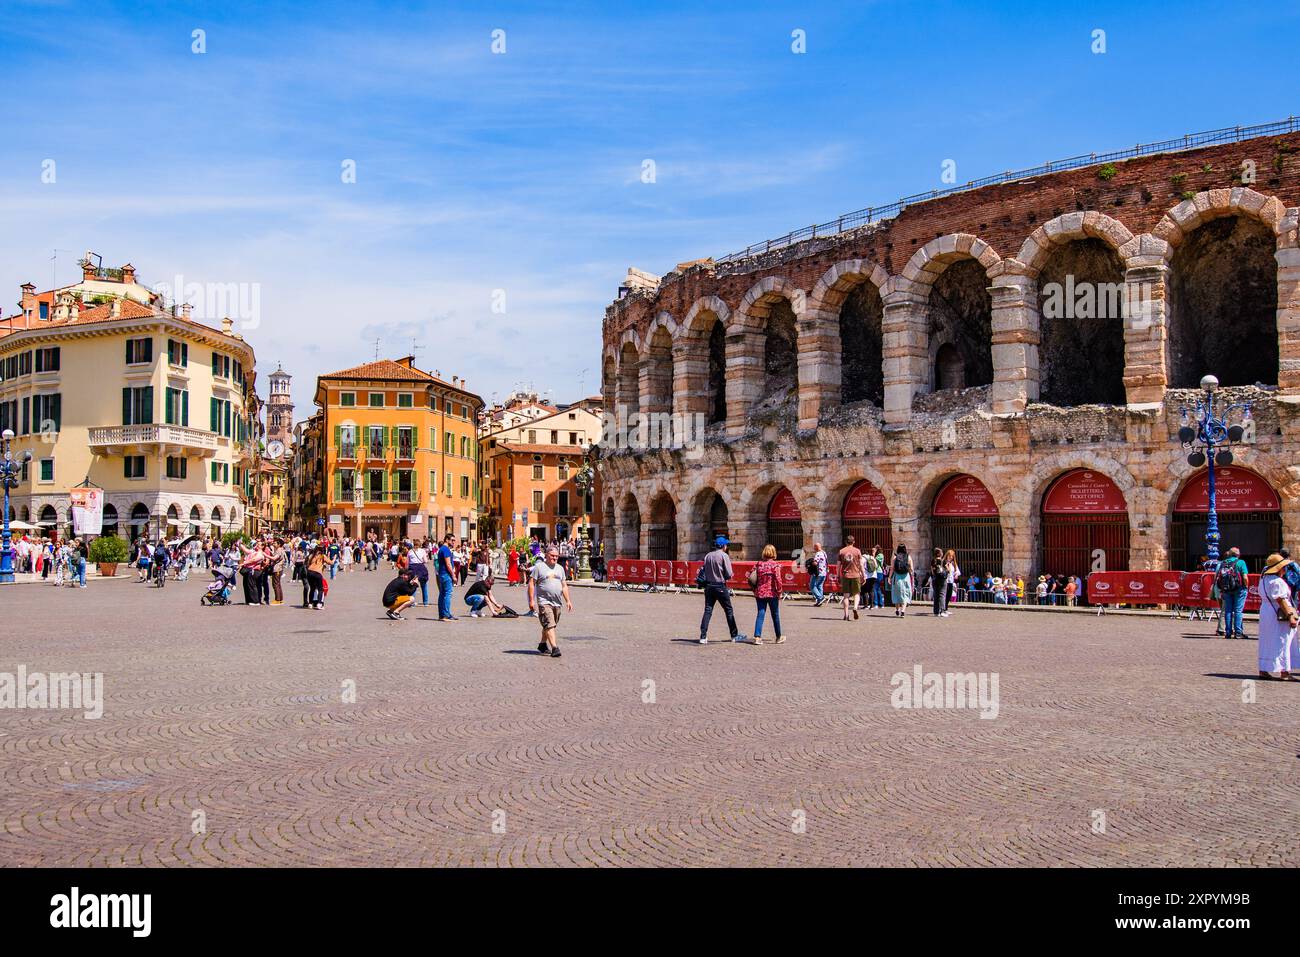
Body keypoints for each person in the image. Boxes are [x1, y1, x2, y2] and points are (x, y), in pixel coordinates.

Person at [1256, 553, 1298, 680]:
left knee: (1266, 641)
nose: (1285, 570)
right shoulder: (1277, 582)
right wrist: (1290, 615)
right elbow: (1281, 600)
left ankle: (1263, 669)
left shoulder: (1263, 580)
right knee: (1283, 640)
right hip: (1277, 612)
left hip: (1266, 612)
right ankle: (1284, 671)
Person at [698, 535, 745, 644]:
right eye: (726, 545)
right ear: (723, 546)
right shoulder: (724, 556)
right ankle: (734, 635)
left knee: (708, 610)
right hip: (720, 585)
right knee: (728, 610)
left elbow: (704, 570)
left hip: (709, 586)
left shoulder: (708, 555)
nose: (727, 547)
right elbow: (729, 573)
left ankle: (703, 636)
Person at [528, 544, 572, 657]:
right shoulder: (539, 567)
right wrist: (531, 601)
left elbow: (564, 585)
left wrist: (568, 600)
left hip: (557, 602)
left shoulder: (560, 568)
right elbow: (531, 584)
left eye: (557, 556)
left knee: (549, 625)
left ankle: (542, 644)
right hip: (544, 602)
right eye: (552, 556)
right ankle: (554, 648)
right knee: (549, 624)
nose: (555, 558)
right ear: (546, 555)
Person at [751, 544, 783, 644]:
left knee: (760, 613)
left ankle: (757, 636)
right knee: (775, 614)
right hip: (772, 593)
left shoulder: (758, 564)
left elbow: (751, 577)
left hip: (760, 592)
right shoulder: (775, 565)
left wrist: (754, 589)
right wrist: (780, 592)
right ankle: (778, 636)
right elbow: (778, 580)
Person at [1216, 546, 1250, 640]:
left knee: (1228, 610)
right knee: (1238, 610)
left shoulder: (1223, 563)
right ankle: (1238, 632)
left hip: (1226, 589)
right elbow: (1245, 577)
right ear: (1238, 555)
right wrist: (1246, 586)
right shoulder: (1240, 562)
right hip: (1239, 589)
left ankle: (1228, 632)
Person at [838, 535, 863, 621]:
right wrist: (863, 574)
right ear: (853, 542)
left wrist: (838, 575)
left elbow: (838, 565)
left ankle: (846, 614)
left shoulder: (841, 551)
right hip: (856, 575)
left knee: (846, 596)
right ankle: (855, 607)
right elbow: (861, 564)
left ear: (846, 542)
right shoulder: (857, 551)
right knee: (856, 594)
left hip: (845, 575)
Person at [436, 533, 458, 621]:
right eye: (452, 540)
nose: (453, 542)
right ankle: (446, 614)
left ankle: (441, 615)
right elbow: (448, 564)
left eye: (454, 541)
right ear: (447, 540)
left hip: (442, 574)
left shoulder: (441, 549)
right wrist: (453, 575)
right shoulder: (445, 550)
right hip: (446, 574)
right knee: (447, 594)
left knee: (442, 594)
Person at [890, 544, 914, 616]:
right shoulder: (908, 557)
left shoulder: (895, 557)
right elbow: (912, 569)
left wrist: (889, 577)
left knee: (896, 593)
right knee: (905, 593)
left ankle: (897, 609)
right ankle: (903, 610)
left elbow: (892, 569)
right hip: (906, 577)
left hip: (897, 577)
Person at [305, 544, 327, 609]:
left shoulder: (311, 555)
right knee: (320, 589)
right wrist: (334, 559)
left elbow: (307, 563)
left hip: (309, 573)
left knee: (312, 588)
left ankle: (310, 604)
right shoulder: (323, 556)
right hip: (317, 573)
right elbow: (331, 563)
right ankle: (319, 604)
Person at [930, 548, 948, 618]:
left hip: (935, 579)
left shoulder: (933, 561)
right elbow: (947, 569)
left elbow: (932, 571)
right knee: (942, 595)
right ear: (939, 554)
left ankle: (936, 611)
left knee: (936, 595)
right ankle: (942, 611)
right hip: (942, 580)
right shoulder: (943, 561)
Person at [809, 542, 828, 607]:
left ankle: (820, 598)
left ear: (817, 547)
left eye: (814, 547)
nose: (813, 548)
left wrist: (810, 562)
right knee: (819, 586)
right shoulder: (824, 553)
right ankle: (819, 601)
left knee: (812, 586)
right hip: (824, 572)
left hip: (817, 573)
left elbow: (815, 563)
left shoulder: (818, 554)